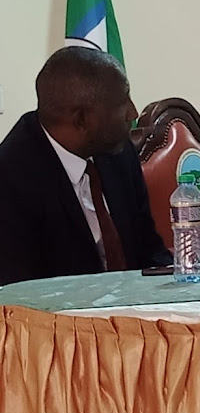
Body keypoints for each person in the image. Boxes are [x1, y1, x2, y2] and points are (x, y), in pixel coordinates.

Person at [0, 47, 171, 285]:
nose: (132, 113)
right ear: (81, 119)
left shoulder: (117, 152)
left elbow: (149, 250)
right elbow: (21, 291)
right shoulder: (10, 179)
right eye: (122, 103)